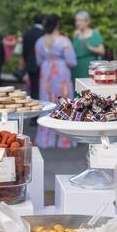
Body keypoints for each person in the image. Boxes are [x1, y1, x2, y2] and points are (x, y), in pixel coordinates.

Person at [34, 15, 77, 148]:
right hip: (61, 73)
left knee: (47, 104)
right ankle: (64, 141)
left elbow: (38, 61)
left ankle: (45, 140)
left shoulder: (40, 41)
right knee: (63, 103)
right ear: (58, 24)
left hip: (46, 72)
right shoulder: (64, 41)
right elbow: (72, 61)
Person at [72, 10, 104, 80]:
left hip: (90, 67)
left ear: (87, 22)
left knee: (89, 89)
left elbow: (102, 51)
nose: (78, 23)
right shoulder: (76, 34)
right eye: (76, 21)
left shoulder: (94, 33)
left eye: (80, 21)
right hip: (77, 67)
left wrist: (89, 47)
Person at [21, 14, 45, 98]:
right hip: (42, 64)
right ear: (43, 21)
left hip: (30, 64)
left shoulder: (27, 33)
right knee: (42, 87)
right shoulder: (44, 34)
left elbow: (24, 51)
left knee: (33, 87)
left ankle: (34, 103)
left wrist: (26, 61)